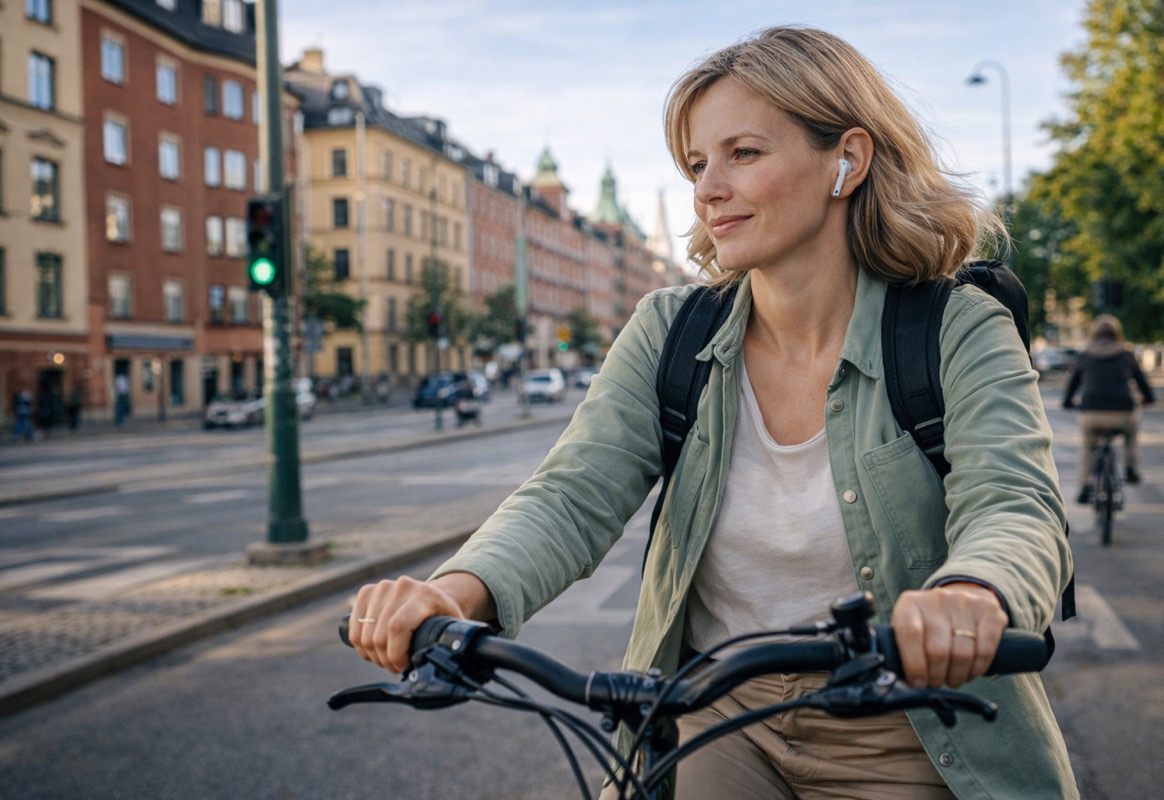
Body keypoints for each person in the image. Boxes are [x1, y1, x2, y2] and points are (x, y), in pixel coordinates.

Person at [348, 26, 1075, 799]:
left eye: (744, 154)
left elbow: (1015, 502)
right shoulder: (669, 329)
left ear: (847, 160)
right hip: (715, 710)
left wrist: (973, 593)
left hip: (910, 718)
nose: (707, 188)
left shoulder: (955, 325)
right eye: (698, 163)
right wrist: (453, 592)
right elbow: (572, 494)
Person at [1063, 315, 1155, 502]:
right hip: (1122, 414)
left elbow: (1072, 386)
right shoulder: (1127, 354)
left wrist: (1068, 402)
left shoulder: (1084, 355)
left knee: (1088, 446)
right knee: (1132, 433)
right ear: (1117, 334)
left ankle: (1084, 485)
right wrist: (1148, 399)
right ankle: (1130, 468)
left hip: (1091, 414)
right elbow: (1143, 383)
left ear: (1094, 334)